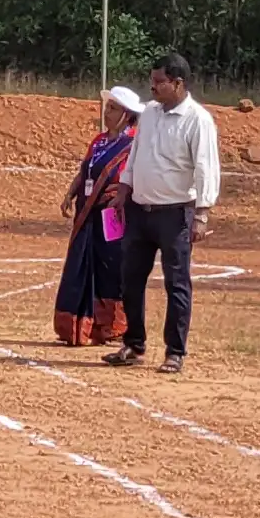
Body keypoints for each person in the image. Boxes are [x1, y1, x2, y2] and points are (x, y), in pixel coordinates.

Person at [113, 53, 219, 372]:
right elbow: (136, 154)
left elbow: (206, 168)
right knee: (130, 279)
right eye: (152, 80)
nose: (153, 87)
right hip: (139, 210)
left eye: (159, 82)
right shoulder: (148, 114)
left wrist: (201, 214)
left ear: (178, 83)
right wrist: (123, 189)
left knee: (177, 283)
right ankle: (133, 344)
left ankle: (175, 351)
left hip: (175, 216)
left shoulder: (197, 120)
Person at [53, 89, 142, 348]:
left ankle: (113, 327)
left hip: (113, 214)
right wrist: (69, 194)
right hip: (87, 211)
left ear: (127, 115)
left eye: (113, 108)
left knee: (111, 266)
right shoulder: (99, 141)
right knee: (81, 262)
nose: (107, 112)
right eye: (108, 107)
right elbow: (85, 171)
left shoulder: (135, 143)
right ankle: (77, 325)